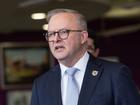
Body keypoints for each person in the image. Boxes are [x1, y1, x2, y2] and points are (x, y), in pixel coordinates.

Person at [30, 8, 140, 105]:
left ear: (83, 37)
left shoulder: (115, 75)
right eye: (51, 34)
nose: (55, 39)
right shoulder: (41, 85)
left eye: (63, 32)